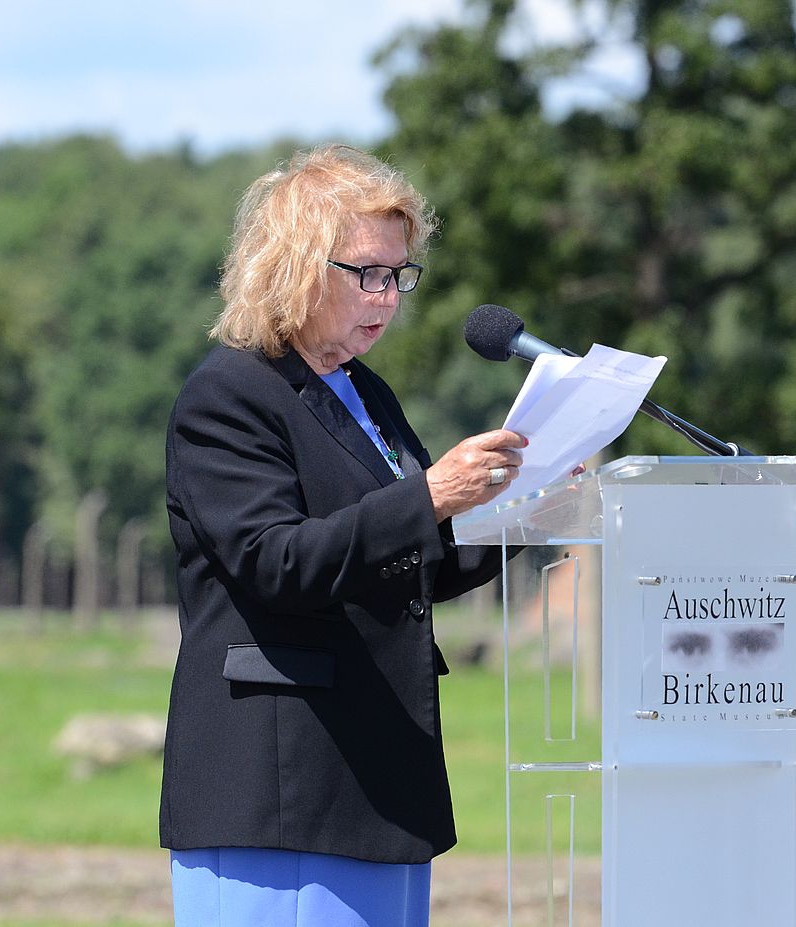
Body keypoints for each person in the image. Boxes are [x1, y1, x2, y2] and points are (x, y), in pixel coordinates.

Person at [161, 144, 527, 927]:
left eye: (399, 274)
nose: (387, 295)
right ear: (294, 267)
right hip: (282, 788)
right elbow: (277, 562)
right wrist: (432, 494)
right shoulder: (228, 395)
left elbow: (417, 561)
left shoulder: (365, 391)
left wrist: (525, 505)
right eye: (367, 272)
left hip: (379, 777)